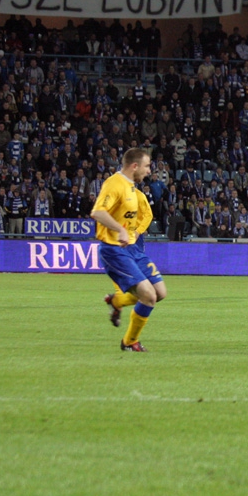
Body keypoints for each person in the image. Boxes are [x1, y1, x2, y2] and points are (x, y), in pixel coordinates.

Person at [90, 148, 168, 352]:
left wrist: (131, 233)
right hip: (114, 250)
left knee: (159, 292)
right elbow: (98, 212)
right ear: (134, 166)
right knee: (149, 296)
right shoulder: (114, 184)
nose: (149, 170)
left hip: (132, 249)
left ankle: (116, 301)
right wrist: (119, 230)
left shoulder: (133, 188)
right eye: (147, 166)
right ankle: (129, 341)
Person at [104, 184, 154, 328]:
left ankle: (117, 302)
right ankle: (118, 301)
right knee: (121, 269)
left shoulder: (139, 196)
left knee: (139, 278)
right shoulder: (116, 196)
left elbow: (148, 215)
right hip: (119, 237)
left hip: (134, 239)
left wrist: (138, 231)